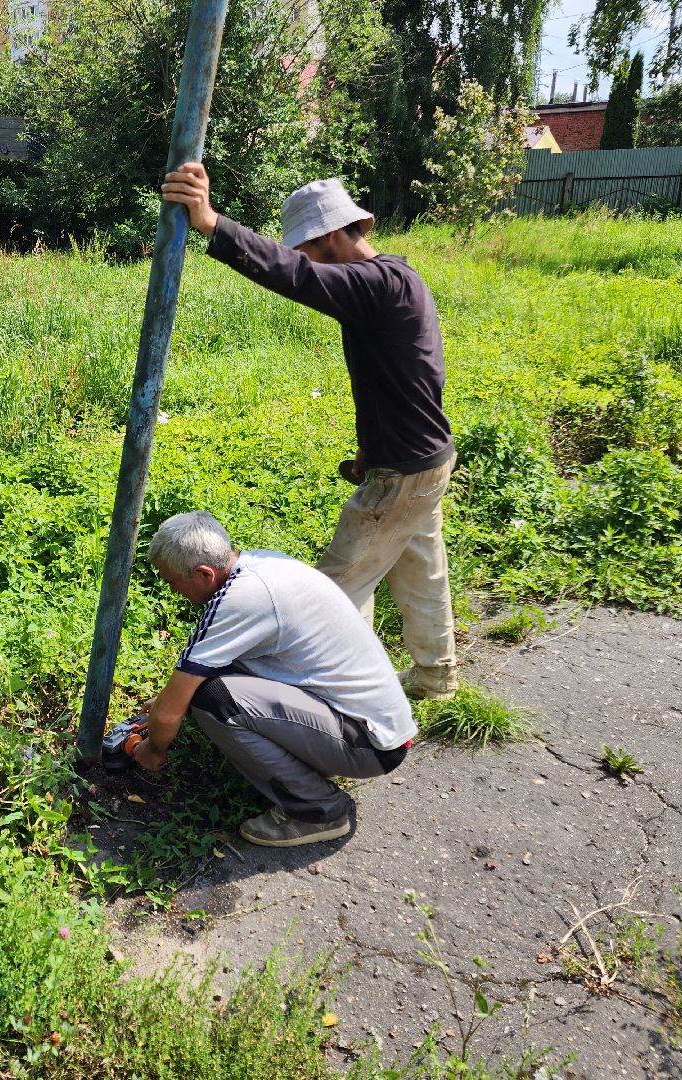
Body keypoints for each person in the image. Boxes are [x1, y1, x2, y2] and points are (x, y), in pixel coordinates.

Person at [160, 163, 458, 701]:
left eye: (309, 249)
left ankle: (349, 704)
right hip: (425, 457)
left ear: (329, 235)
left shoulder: (376, 283)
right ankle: (435, 677)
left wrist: (211, 223)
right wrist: (374, 448)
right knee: (420, 571)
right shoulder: (395, 279)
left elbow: (294, 276)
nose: (306, 259)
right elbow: (406, 378)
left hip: (405, 472)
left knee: (336, 587)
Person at [132, 511, 415, 848]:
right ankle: (309, 767)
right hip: (368, 723)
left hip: (368, 743)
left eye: (172, 581)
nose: (172, 590)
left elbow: (169, 712)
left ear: (204, 574)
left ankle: (318, 809)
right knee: (208, 681)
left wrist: (153, 750)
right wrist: (172, 701)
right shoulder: (263, 564)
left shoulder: (238, 601)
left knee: (213, 698)